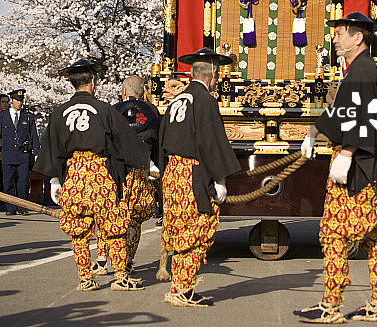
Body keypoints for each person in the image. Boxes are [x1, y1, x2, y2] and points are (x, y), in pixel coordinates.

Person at [295, 12, 377, 324]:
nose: (335, 39)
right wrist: (313, 133)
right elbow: (343, 111)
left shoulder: (364, 70)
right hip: (374, 159)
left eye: (339, 33)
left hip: (362, 162)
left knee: (334, 232)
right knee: (376, 235)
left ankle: (330, 305)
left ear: (357, 37)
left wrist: (348, 152)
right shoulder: (363, 70)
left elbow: (368, 118)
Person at [34, 58, 149, 291]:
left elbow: (52, 149)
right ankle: (120, 277)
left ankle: (86, 279)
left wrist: (56, 180)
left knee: (79, 230)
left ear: (72, 83)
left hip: (74, 175)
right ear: (93, 82)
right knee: (113, 225)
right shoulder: (104, 110)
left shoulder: (59, 113)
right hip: (99, 174)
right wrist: (144, 165)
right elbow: (125, 143)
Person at [159, 48, 241, 307]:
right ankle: (183, 289)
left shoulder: (176, 100)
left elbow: (162, 141)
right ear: (213, 74)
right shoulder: (205, 100)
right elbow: (210, 141)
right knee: (196, 228)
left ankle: (180, 287)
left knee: (180, 228)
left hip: (172, 172)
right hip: (192, 173)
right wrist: (219, 178)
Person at [92, 75, 157, 276]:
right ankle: (128, 259)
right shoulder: (152, 111)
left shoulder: (112, 111)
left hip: (116, 171)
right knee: (134, 218)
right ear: (143, 92)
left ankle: (102, 259)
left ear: (123, 92)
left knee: (107, 213)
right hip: (141, 170)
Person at [0, 89, 39, 216]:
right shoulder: (3, 116)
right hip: (8, 153)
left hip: (23, 154)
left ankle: (22, 206)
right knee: (8, 181)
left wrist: (36, 152)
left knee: (23, 182)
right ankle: (10, 207)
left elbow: (34, 135)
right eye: (17, 100)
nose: (19, 103)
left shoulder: (27, 116)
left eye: (21, 100)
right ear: (11, 100)